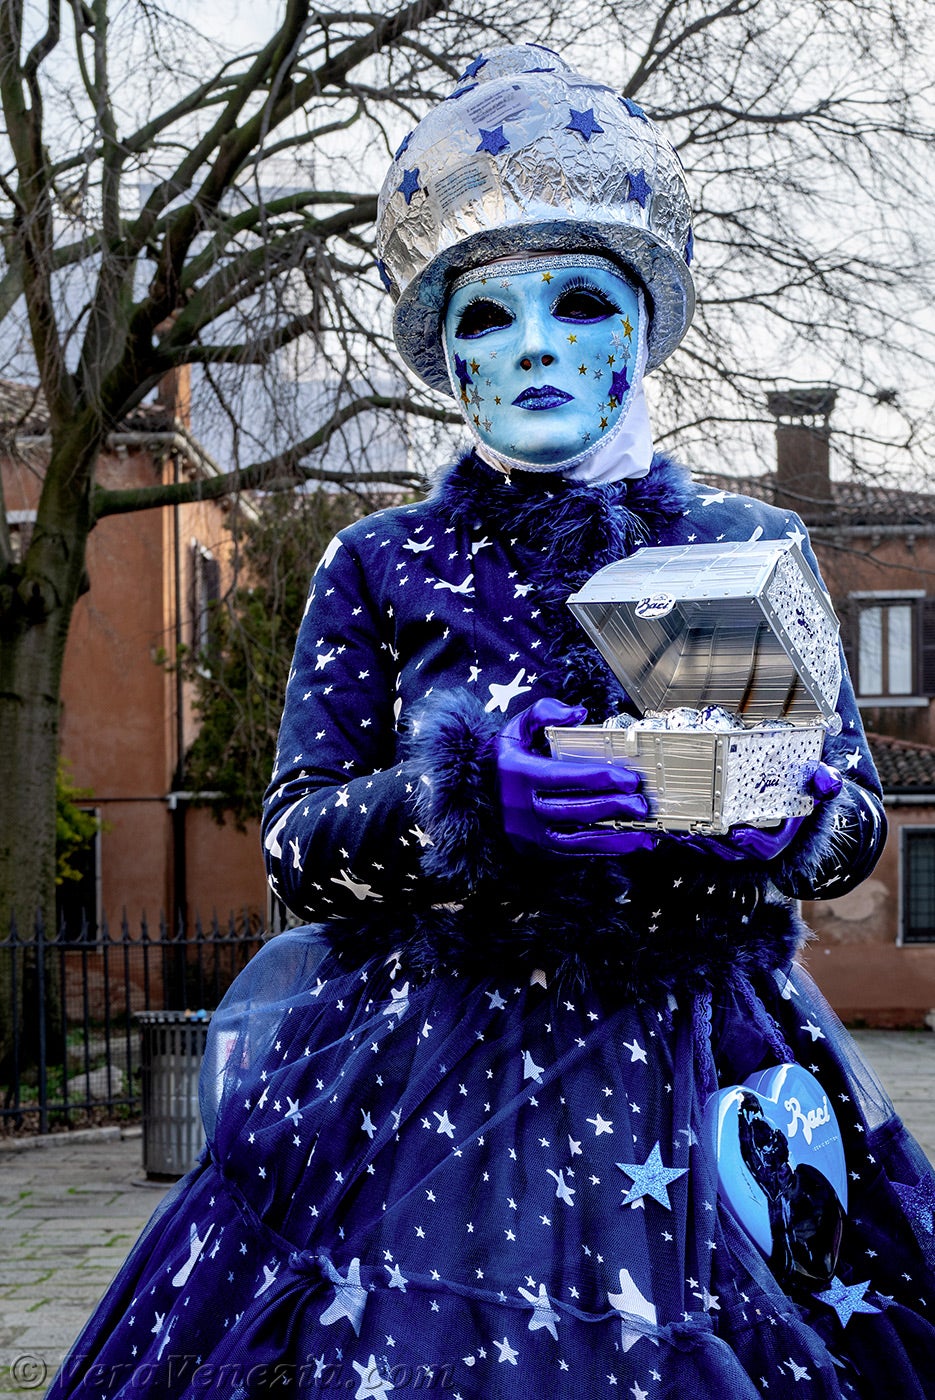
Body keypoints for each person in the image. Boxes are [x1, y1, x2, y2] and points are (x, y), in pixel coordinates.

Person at [53, 44, 935, 1400]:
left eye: (577, 301)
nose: (534, 344)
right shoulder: (380, 562)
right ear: (448, 350)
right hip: (441, 1090)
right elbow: (295, 845)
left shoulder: (748, 542)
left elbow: (857, 819)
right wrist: (462, 802)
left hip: (709, 1062)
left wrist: (794, 817)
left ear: (641, 325)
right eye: (490, 313)